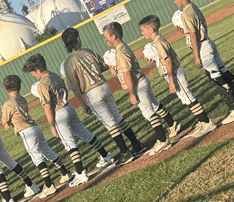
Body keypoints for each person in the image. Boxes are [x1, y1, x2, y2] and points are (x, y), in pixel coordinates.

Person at [169, 0, 234, 125]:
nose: (174, 2)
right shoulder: (194, 7)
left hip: (202, 47)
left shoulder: (186, 14)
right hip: (209, 43)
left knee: (215, 78)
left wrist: (197, 57)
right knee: (224, 72)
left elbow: (193, 36)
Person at [21, 53, 112, 188]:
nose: (33, 75)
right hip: (69, 107)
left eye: (33, 72)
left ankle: (81, 173)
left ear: (38, 70)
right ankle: (106, 156)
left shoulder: (42, 84)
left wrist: (52, 126)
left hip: (59, 114)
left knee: (69, 144)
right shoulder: (55, 76)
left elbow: (47, 107)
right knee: (85, 134)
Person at [60, 27, 147, 166]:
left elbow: (75, 87)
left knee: (109, 123)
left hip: (91, 93)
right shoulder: (88, 51)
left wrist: (83, 104)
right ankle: (136, 145)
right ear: (77, 39)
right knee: (117, 117)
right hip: (104, 86)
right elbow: (102, 67)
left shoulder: (69, 63)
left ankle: (125, 152)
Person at [102, 21, 179, 156]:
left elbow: (127, 73)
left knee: (148, 112)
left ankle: (162, 140)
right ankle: (172, 124)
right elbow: (125, 69)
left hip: (137, 84)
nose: (105, 39)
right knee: (155, 105)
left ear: (114, 37)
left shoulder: (120, 51)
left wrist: (132, 93)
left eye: (106, 36)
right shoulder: (122, 48)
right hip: (142, 80)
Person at [139, 14, 218, 138]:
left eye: (143, 30)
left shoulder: (158, 42)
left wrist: (171, 80)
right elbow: (165, 59)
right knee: (185, 98)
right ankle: (202, 122)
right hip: (174, 73)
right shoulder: (158, 41)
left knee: (188, 98)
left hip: (175, 73)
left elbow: (169, 61)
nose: (142, 33)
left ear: (151, 29)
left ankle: (206, 122)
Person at [0, 74, 73, 198]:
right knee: (47, 150)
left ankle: (49, 185)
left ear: (6, 90)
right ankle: (65, 173)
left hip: (26, 131)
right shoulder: (22, 98)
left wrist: (6, 123)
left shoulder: (7, 104)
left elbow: (5, 120)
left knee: (36, 156)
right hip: (34, 127)